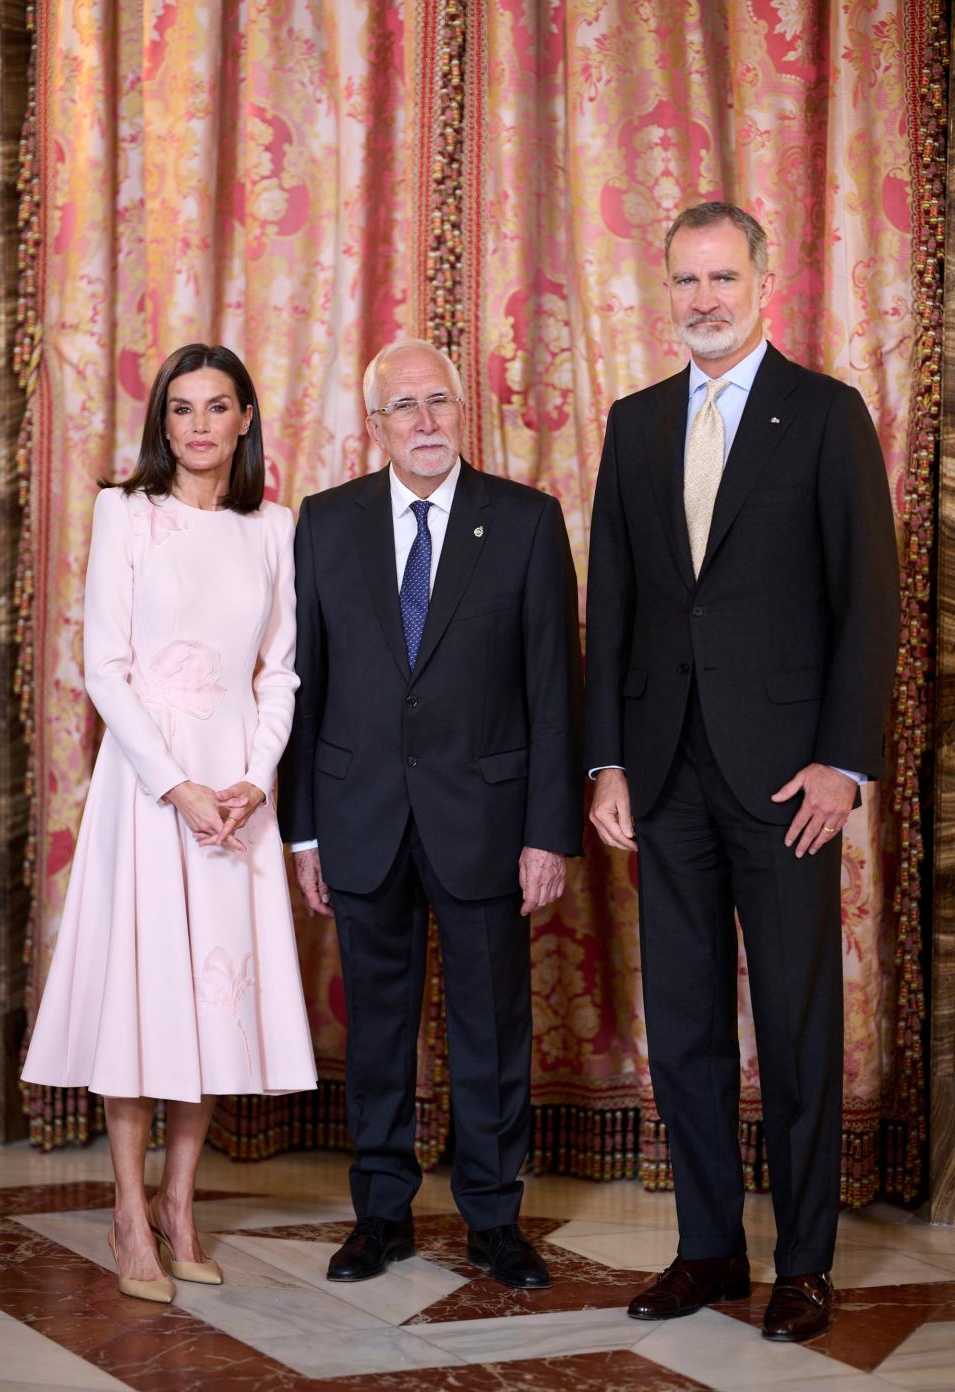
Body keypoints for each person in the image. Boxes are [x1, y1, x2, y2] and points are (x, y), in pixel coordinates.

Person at [585, 203, 899, 1342]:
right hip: (664, 776)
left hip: (787, 784)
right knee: (685, 1022)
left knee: (800, 1023)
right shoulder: (633, 423)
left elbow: (872, 599)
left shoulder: (824, 415)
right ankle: (709, 1249)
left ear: (765, 282)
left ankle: (804, 1263)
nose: (703, 298)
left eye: (722, 277)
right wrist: (608, 763)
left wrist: (843, 766)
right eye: (685, 281)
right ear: (664, 292)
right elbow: (611, 603)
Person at [278, 338, 583, 1289]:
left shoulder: (527, 522)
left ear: (464, 411)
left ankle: (495, 1222)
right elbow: (304, 683)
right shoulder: (325, 523)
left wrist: (548, 830)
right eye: (402, 406)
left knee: (494, 1028)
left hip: (488, 822)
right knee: (376, 1028)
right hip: (359, 815)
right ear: (375, 425)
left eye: (438, 401)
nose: (424, 421)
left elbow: (552, 690)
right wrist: (305, 828)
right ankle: (381, 1216)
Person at [23, 343, 317, 1304]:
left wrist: (252, 779)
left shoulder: (275, 528)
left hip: (235, 790)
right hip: (150, 791)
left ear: (244, 420)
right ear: (164, 423)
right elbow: (105, 665)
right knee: (145, 995)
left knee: (206, 1001)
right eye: (181, 408)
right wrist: (177, 786)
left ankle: (180, 1208)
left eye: (216, 406)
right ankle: (124, 1208)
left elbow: (280, 669)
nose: (198, 425)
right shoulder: (126, 513)